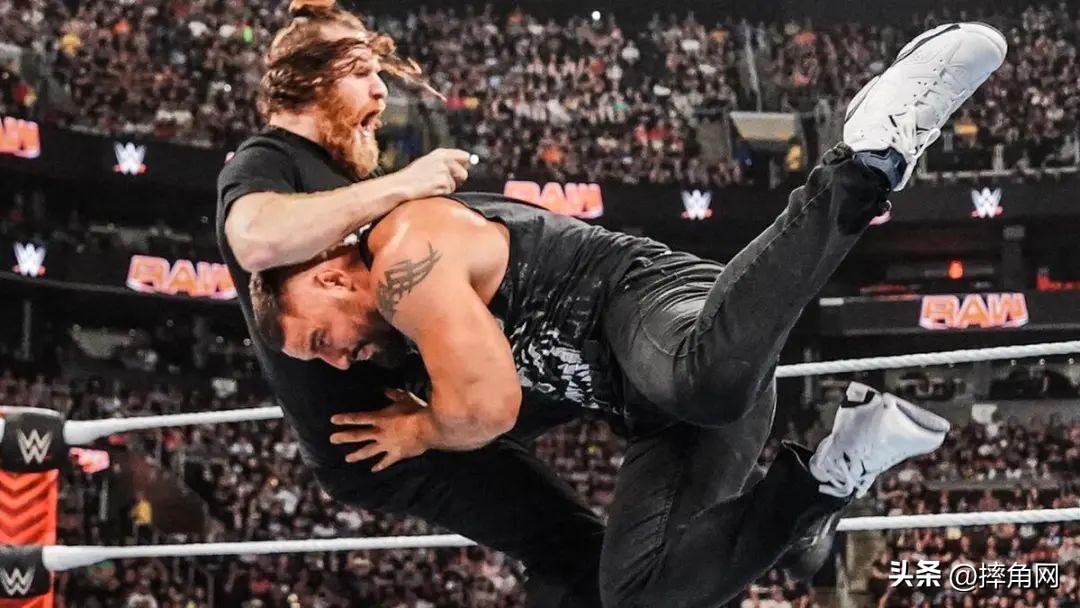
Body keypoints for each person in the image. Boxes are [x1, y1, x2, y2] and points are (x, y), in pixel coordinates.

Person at [243, 18, 1006, 607]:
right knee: (638, 597)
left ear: (331, 277)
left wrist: (421, 429)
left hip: (650, 305)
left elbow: (489, 406)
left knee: (703, 383)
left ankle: (865, 159)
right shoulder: (400, 337)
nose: (337, 361)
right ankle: (830, 477)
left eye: (320, 340)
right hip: (658, 412)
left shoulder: (405, 254)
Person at [217, 2, 605, 605]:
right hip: (383, 439)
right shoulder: (267, 159)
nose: (380, 91)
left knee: (609, 376)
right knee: (575, 548)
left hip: (431, 400)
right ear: (312, 82)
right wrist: (404, 184)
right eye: (362, 73)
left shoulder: (342, 178)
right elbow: (253, 239)